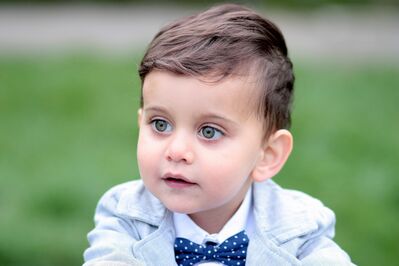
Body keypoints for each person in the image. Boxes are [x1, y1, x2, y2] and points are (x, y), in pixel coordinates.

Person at [83, 4, 354, 266]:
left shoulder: (299, 229)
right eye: (160, 124)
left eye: (209, 131)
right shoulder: (125, 215)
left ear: (267, 155)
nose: (176, 151)